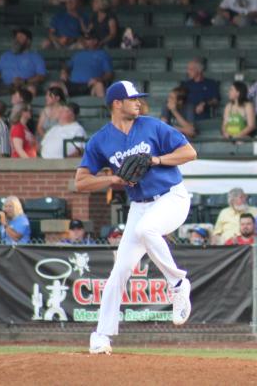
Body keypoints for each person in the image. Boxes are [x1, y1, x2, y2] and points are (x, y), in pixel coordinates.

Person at [76, 80, 198, 354]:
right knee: (119, 271)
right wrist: (113, 178)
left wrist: (157, 160)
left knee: (146, 230)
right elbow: (81, 182)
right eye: (133, 99)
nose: (138, 103)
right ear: (116, 104)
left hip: (172, 197)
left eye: (139, 99)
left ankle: (178, 283)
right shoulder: (101, 141)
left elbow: (190, 152)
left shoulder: (151, 125)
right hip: (141, 206)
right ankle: (101, 336)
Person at [0, 28, 46, 96]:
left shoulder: (36, 57)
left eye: (20, 37)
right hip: (4, 85)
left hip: (24, 86)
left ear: (28, 41)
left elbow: (41, 76)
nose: (16, 40)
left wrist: (24, 81)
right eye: (16, 37)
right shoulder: (6, 55)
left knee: (31, 90)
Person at [61, 31, 113, 98]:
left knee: (99, 85)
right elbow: (67, 66)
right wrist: (64, 71)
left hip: (90, 85)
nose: (84, 41)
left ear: (95, 41)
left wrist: (98, 79)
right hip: (72, 85)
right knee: (54, 86)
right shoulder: (77, 54)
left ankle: (103, 108)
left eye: (88, 39)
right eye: (84, 39)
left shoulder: (102, 54)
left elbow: (109, 74)